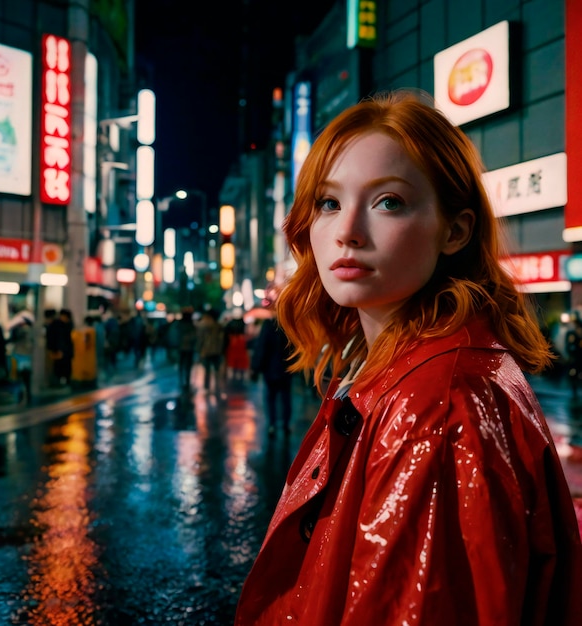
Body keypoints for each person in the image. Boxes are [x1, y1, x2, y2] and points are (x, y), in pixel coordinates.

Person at [235, 91, 582, 625]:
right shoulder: (402, 369)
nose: (347, 230)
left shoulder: (435, 409)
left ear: (455, 230)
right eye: (329, 202)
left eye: (388, 201)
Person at [250, 308, 293, 436]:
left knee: (271, 398)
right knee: (285, 398)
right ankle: (285, 424)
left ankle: (272, 424)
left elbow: (261, 347)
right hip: (286, 369)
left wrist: (256, 368)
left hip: (270, 369)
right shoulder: (289, 327)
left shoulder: (268, 326)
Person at [196, 308, 224, 393]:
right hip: (217, 350)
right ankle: (217, 386)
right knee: (216, 370)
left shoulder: (203, 325)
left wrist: (199, 349)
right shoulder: (218, 326)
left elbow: (200, 339)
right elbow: (222, 339)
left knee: (207, 370)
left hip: (206, 351)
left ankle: (207, 387)